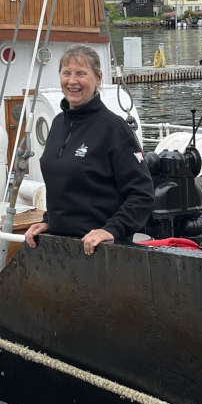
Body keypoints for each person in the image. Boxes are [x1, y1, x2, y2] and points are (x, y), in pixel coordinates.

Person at [24, 45, 153, 255]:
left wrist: (112, 229)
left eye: (81, 74)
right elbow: (64, 187)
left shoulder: (113, 128)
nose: (72, 81)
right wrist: (49, 221)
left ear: (98, 78)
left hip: (101, 252)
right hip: (59, 248)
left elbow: (142, 194)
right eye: (66, 73)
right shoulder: (57, 124)